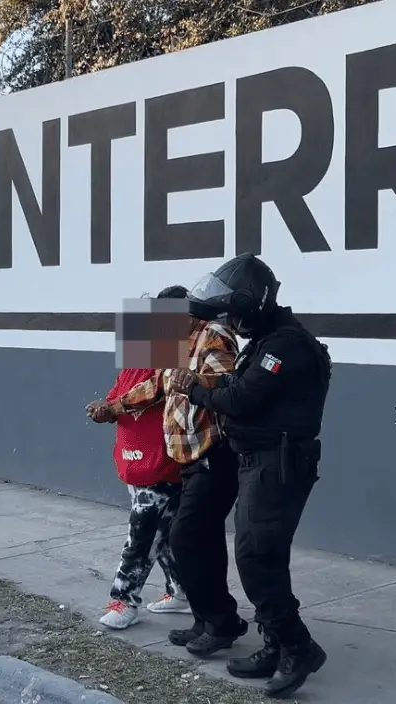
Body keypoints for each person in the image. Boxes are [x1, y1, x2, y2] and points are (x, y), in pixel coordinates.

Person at [166, 253, 332, 699]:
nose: (232, 322)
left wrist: (193, 387)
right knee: (263, 557)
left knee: (256, 558)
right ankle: (276, 645)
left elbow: (240, 400)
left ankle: (297, 646)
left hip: (278, 464)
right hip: (261, 462)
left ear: (252, 302)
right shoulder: (265, 341)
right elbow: (236, 389)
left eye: (234, 312)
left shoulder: (285, 346)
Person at [94, 284, 249, 655]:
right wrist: (113, 407)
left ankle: (126, 600)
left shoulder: (211, 336)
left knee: (159, 532)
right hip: (167, 455)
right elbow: (150, 385)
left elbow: (227, 390)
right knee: (179, 535)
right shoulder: (170, 342)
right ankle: (199, 610)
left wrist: (194, 384)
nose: (152, 327)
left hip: (197, 456)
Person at [86, 290, 193, 630]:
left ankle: (124, 600)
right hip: (136, 462)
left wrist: (112, 407)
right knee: (164, 535)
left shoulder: (177, 361)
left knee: (142, 536)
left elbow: (154, 392)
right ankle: (182, 592)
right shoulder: (137, 360)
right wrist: (103, 408)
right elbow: (118, 395)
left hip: (162, 465)